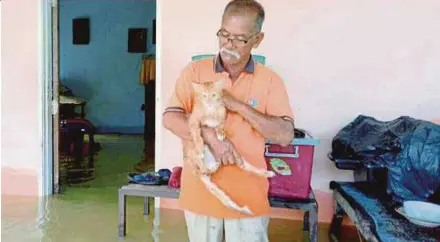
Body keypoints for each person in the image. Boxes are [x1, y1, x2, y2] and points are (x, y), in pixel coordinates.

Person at [163, 0, 295, 241]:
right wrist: (210, 137)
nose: (228, 44)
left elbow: (285, 136)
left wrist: (237, 105)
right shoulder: (194, 71)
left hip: (247, 197)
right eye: (224, 34)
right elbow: (171, 118)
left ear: (257, 39)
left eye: (239, 38)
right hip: (201, 193)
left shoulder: (270, 80)